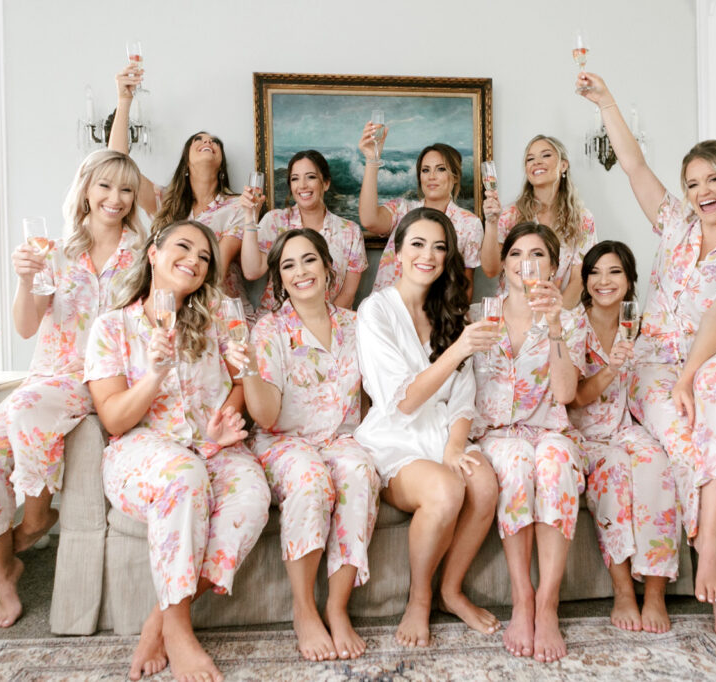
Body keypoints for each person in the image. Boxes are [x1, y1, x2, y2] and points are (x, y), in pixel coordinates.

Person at [578, 71, 716, 642]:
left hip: (711, 359)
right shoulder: (677, 224)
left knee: (712, 389)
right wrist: (608, 101)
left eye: (713, 179)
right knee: (688, 443)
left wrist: (690, 376)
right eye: (692, 183)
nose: (702, 190)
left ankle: (709, 544)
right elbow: (635, 166)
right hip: (653, 366)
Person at [0, 149, 145, 628]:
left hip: (100, 377)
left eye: (126, 189)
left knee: (27, 405)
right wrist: (24, 281)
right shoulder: (54, 252)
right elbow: (25, 327)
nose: (115, 198)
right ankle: (5, 574)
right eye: (105, 186)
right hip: (46, 377)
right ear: (85, 187)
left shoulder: (143, 254)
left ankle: (39, 515)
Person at [85, 219, 270, 681]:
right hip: (142, 451)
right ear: (153, 253)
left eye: (204, 256)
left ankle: (160, 617)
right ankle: (180, 629)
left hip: (213, 447)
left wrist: (225, 419)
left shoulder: (223, 313)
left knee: (252, 499)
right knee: (183, 475)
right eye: (183, 247)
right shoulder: (112, 327)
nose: (194, 259)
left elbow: (242, 383)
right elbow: (114, 419)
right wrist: (154, 375)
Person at [226, 228, 379, 662]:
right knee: (311, 479)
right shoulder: (269, 330)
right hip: (284, 442)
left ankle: (337, 606)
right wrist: (250, 370)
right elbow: (268, 417)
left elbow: (375, 395)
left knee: (359, 473)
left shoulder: (356, 325)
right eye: (288, 265)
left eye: (308, 260)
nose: (300, 271)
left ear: (328, 267)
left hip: (342, 438)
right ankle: (304, 609)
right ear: (278, 279)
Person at [354, 206, 500, 647]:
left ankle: (451, 591)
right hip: (394, 439)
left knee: (485, 484)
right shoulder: (374, 311)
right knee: (445, 489)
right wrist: (456, 351)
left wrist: (457, 446)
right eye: (418, 244)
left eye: (440, 247)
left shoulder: (451, 310)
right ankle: (418, 600)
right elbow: (402, 401)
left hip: (442, 433)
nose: (429, 255)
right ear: (398, 253)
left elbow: (462, 396)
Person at [471, 222, 587, 663]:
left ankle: (548, 603)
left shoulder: (570, 322)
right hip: (498, 435)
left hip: (550, 429)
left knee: (554, 465)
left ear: (553, 267)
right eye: (517, 253)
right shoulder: (480, 313)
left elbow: (563, 394)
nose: (526, 262)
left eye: (537, 254)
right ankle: (523, 598)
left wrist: (555, 326)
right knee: (517, 466)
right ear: (505, 265)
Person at [567, 241, 679, 634]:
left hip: (629, 430)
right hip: (587, 436)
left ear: (630, 279)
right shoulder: (572, 326)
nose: (603, 281)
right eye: (595, 272)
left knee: (656, 466)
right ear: (584, 281)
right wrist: (611, 369)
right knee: (615, 471)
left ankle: (655, 593)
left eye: (614, 272)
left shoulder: (645, 328)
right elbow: (575, 397)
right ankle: (623, 592)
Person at [109, 63, 252, 318]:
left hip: (223, 315)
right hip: (168, 312)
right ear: (186, 161)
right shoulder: (162, 200)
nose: (207, 141)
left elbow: (216, 269)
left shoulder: (239, 205)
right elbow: (117, 163)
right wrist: (124, 100)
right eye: (199, 139)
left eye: (214, 142)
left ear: (221, 165)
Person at [239, 150, 366, 316]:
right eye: (295, 179)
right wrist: (250, 216)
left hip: (328, 327)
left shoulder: (351, 232)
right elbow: (251, 271)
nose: (302, 185)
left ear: (326, 183)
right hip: (277, 327)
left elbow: (347, 295)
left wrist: (318, 328)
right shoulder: (275, 221)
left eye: (311, 177)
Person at [357, 128, 483, 296]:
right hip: (388, 311)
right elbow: (369, 221)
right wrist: (372, 160)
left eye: (440, 169)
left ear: (455, 176)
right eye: (425, 170)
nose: (431, 176)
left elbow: (465, 284)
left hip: (434, 315)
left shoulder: (470, 223)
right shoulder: (402, 210)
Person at [479, 135, 595, 308]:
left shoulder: (583, 219)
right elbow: (490, 270)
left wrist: (554, 318)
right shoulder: (509, 215)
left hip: (558, 312)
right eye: (530, 159)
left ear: (564, 165)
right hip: (511, 312)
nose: (536, 162)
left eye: (546, 155)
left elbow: (579, 279)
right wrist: (491, 223)